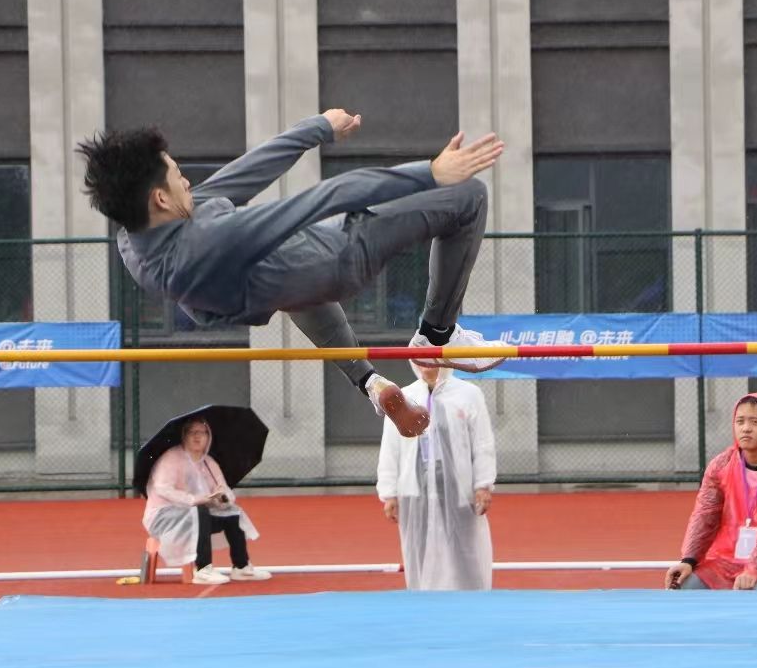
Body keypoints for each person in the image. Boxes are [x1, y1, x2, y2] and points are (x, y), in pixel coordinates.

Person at [77, 110, 508, 440]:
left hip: (284, 286)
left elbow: (243, 175)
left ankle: (369, 382)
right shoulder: (204, 243)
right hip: (342, 253)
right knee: (468, 195)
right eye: (178, 176)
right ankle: (436, 335)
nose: (188, 182)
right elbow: (323, 198)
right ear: (160, 198)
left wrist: (315, 129)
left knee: (291, 287)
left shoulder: (134, 236)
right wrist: (430, 174)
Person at [665, 392, 757, 591]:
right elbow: (705, 515)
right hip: (727, 560)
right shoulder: (721, 465)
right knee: (685, 586)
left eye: (755, 422)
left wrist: (755, 569)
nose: (746, 428)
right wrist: (688, 560)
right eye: (740, 421)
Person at [377, 362, 496, 590]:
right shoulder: (403, 397)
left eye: (431, 357)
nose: (425, 364)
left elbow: (482, 443)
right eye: (419, 358)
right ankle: (422, 595)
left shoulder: (469, 395)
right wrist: (389, 493)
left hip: (459, 487)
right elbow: (390, 448)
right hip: (415, 487)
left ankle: (472, 597)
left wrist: (483, 484)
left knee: (465, 548)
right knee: (419, 547)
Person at [142, 416, 271, 586]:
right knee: (200, 510)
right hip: (164, 517)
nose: (197, 436)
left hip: (198, 516)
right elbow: (163, 489)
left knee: (232, 512)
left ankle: (241, 567)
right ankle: (203, 569)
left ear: (208, 437)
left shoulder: (209, 463)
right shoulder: (171, 459)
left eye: (202, 432)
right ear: (184, 436)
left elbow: (224, 489)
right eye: (192, 432)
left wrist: (223, 498)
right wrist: (194, 500)